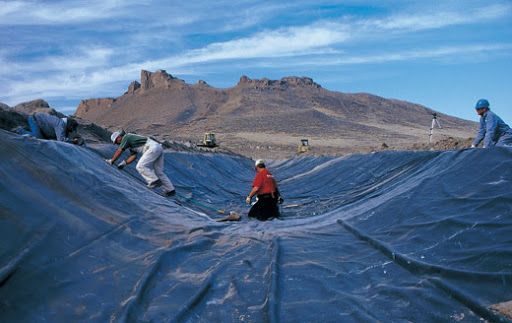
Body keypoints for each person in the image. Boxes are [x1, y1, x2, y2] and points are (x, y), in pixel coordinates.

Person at [106, 131, 176, 197]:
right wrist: (124, 163)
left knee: (140, 166)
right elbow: (133, 156)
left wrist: (112, 160)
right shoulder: (131, 143)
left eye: (116, 141)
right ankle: (170, 190)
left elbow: (119, 150)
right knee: (158, 172)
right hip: (158, 148)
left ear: (119, 137)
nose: (117, 144)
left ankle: (153, 181)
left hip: (152, 148)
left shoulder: (126, 137)